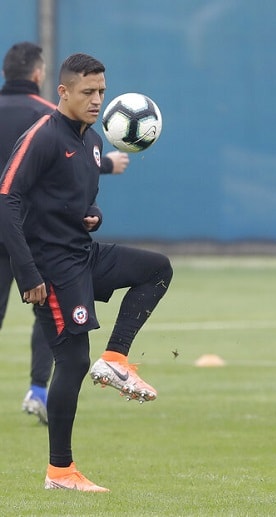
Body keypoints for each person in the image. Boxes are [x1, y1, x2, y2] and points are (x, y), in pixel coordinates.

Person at [0, 52, 172, 491]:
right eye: (87, 92)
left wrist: (90, 213)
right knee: (73, 361)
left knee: (157, 269)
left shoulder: (92, 140)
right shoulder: (42, 135)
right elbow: (7, 200)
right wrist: (28, 273)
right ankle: (60, 472)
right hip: (52, 269)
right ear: (63, 92)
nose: (97, 100)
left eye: (101, 91)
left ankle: (115, 359)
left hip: (83, 253)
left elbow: (73, 199)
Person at [0, 42, 130, 426]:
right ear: (40, 76)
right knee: (49, 319)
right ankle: (38, 389)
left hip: (14, 229)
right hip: (35, 236)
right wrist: (106, 164)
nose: (95, 99)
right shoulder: (47, 118)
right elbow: (67, 164)